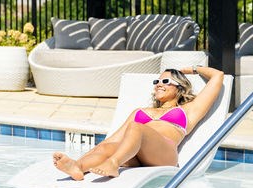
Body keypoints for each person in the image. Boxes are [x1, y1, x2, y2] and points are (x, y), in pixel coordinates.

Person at [52, 64, 225, 180]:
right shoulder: (140, 112)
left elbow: (218, 76)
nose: (158, 84)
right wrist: (80, 160)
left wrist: (189, 70)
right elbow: (111, 140)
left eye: (165, 81)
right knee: (106, 146)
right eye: (156, 81)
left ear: (179, 87)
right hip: (136, 155)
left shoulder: (188, 110)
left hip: (164, 154)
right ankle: (78, 167)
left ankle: (113, 163)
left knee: (136, 127)